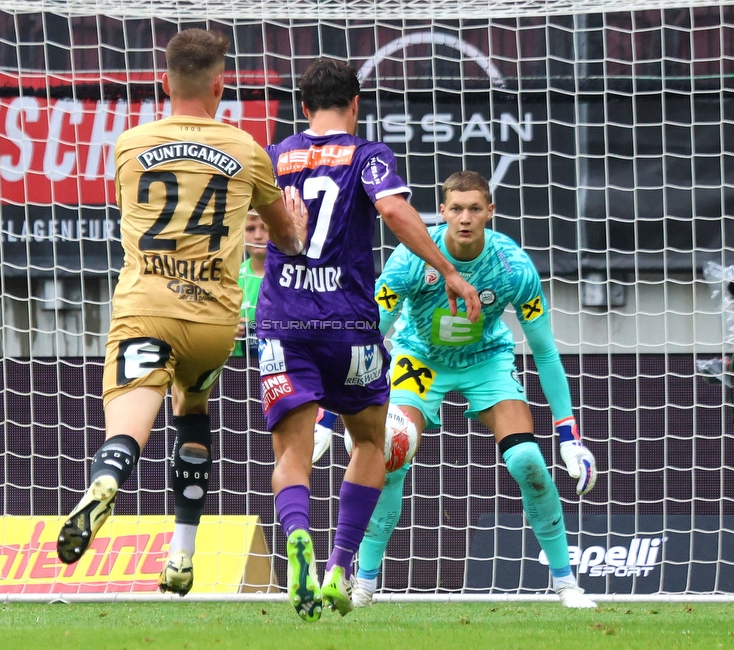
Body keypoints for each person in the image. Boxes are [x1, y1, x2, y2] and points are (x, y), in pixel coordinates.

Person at [55, 28, 307, 598]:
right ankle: (181, 555)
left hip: (147, 309)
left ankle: (106, 479)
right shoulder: (247, 148)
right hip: (215, 323)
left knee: (129, 423)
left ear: (165, 82)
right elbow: (286, 241)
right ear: (222, 85)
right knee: (192, 408)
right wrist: (296, 228)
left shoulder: (129, 144)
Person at [257, 58, 481, 621]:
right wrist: (449, 271)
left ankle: (297, 537)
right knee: (370, 444)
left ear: (304, 108)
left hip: (283, 319)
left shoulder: (276, 155)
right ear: (355, 104)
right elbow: (391, 208)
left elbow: (254, 222)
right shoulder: (367, 154)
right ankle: (339, 566)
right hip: (348, 324)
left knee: (292, 451)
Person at [350, 170, 599, 609]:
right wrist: (330, 411)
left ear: (490, 212)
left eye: (475, 209)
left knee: (527, 460)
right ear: (442, 212)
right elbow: (369, 336)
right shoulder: (411, 258)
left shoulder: (514, 267)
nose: (465, 218)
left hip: (486, 361)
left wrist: (569, 434)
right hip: (420, 359)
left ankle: (566, 583)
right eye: (456, 209)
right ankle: (365, 583)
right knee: (392, 453)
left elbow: (544, 352)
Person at [231, 210, 268, 360]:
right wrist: (227, 330)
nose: (258, 236)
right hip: (241, 370)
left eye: (265, 228)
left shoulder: (293, 276)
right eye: (250, 229)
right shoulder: (231, 277)